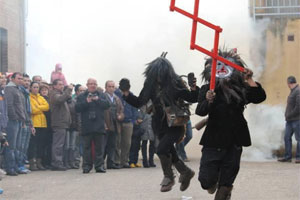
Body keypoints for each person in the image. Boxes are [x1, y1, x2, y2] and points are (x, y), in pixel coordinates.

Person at [121, 53, 199, 192]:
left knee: (161, 149)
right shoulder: (149, 84)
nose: (158, 76)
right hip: (158, 124)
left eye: (160, 73)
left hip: (175, 124)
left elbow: (192, 98)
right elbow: (140, 102)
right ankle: (186, 172)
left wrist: (193, 87)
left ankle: (168, 177)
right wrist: (126, 93)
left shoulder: (175, 83)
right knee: (170, 151)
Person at [196, 49, 266, 200]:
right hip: (213, 140)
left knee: (225, 186)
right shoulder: (207, 89)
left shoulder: (240, 88)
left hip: (234, 140)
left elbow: (259, 97)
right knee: (206, 181)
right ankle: (214, 183)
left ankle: (225, 189)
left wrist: (250, 80)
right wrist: (208, 100)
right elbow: (200, 111)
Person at [75, 78, 110, 173]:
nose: (93, 85)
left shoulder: (101, 95)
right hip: (87, 126)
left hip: (99, 126)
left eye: (94, 84)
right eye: (90, 84)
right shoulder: (82, 96)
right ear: (87, 85)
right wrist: (87, 101)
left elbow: (107, 105)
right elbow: (77, 108)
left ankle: (99, 166)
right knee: (87, 148)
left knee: (99, 148)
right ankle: (86, 166)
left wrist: (98, 100)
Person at [4, 72, 26, 175]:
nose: (20, 80)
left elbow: (21, 106)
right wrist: (14, 117)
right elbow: (9, 105)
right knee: (11, 146)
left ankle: (16, 166)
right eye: (18, 78)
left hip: (18, 121)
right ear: (12, 79)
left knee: (17, 146)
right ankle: (10, 167)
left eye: (21, 78)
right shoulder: (9, 89)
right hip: (12, 121)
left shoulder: (18, 89)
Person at [49, 79, 73, 171]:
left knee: (61, 144)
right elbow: (60, 99)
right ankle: (56, 163)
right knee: (58, 144)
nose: (62, 86)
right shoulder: (54, 94)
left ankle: (59, 162)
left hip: (63, 123)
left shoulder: (60, 93)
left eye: (62, 84)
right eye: (59, 84)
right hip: (59, 123)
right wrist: (69, 90)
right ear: (54, 86)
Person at [278, 76, 300, 163]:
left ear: (289, 83)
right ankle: (288, 157)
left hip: (297, 120)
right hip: (290, 120)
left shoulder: (298, 91)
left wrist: (290, 114)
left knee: (299, 139)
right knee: (287, 137)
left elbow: (298, 107)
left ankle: (298, 157)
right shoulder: (293, 92)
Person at [28, 82, 49, 170]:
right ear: (31, 88)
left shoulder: (41, 97)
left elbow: (47, 107)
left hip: (43, 124)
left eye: (37, 87)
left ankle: (39, 162)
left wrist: (38, 107)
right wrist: (41, 108)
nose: (36, 89)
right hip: (34, 123)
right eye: (34, 87)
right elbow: (32, 110)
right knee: (33, 144)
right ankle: (32, 163)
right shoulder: (29, 97)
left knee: (41, 144)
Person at [103, 80, 124, 169]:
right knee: (103, 145)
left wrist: (121, 116)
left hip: (115, 124)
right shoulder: (102, 97)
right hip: (106, 124)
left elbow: (122, 110)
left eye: (113, 87)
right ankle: (100, 163)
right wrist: (103, 123)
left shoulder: (117, 98)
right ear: (106, 87)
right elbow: (100, 112)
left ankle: (110, 163)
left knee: (112, 145)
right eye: (109, 86)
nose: (111, 88)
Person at [115, 88, 137, 168]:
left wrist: (133, 120)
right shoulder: (116, 94)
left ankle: (124, 161)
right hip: (118, 122)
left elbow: (134, 108)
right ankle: (117, 161)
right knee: (117, 142)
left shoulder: (131, 95)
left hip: (128, 122)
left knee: (127, 143)